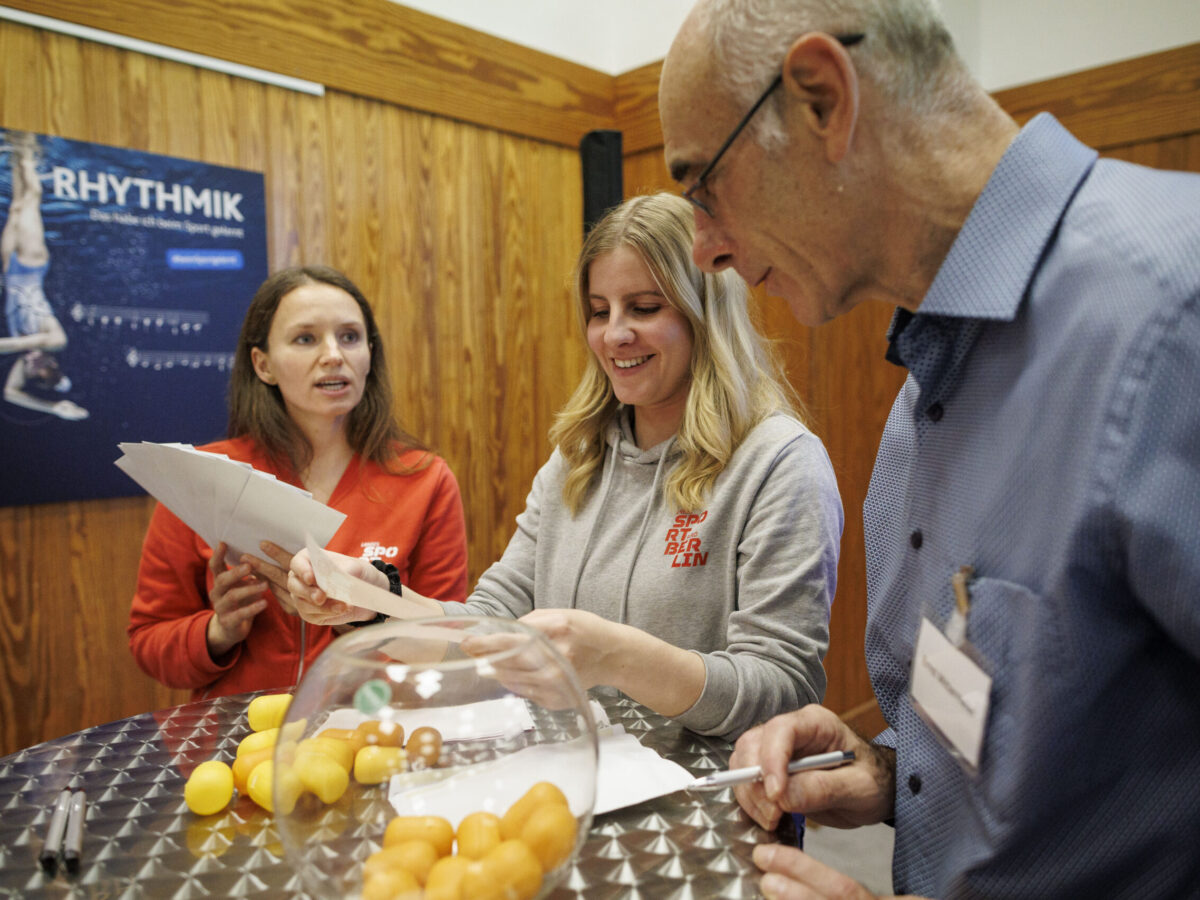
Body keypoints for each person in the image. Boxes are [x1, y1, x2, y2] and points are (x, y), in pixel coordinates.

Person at [658, 0, 1200, 897]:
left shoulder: (1171, 312)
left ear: (823, 100)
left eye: (703, 187)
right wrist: (888, 773)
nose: (707, 250)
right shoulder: (921, 405)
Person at [288, 193, 844, 741]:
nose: (614, 334)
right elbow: (487, 625)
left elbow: (783, 692)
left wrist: (617, 657)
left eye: (645, 308)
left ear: (706, 314)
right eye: (600, 312)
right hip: (581, 784)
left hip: (714, 805)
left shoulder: (779, 463)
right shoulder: (577, 457)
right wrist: (372, 602)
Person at [128, 265, 470, 699]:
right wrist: (219, 630)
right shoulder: (202, 476)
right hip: (243, 746)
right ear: (263, 364)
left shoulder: (423, 479)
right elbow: (148, 643)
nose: (333, 355)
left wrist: (353, 611)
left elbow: (445, 645)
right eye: (305, 339)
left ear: (369, 354)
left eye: (349, 337)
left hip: (371, 735)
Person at [0, 130, 88, 420]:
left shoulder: (27, 361)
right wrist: (15, 347)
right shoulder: (53, 341)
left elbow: (11, 393)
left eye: (38, 375)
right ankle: (26, 149)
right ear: (53, 362)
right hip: (31, 264)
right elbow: (35, 342)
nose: (36, 368)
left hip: (10, 270)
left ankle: (16, 155)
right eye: (46, 370)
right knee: (33, 198)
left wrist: (55, 409)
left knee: (16, 206)